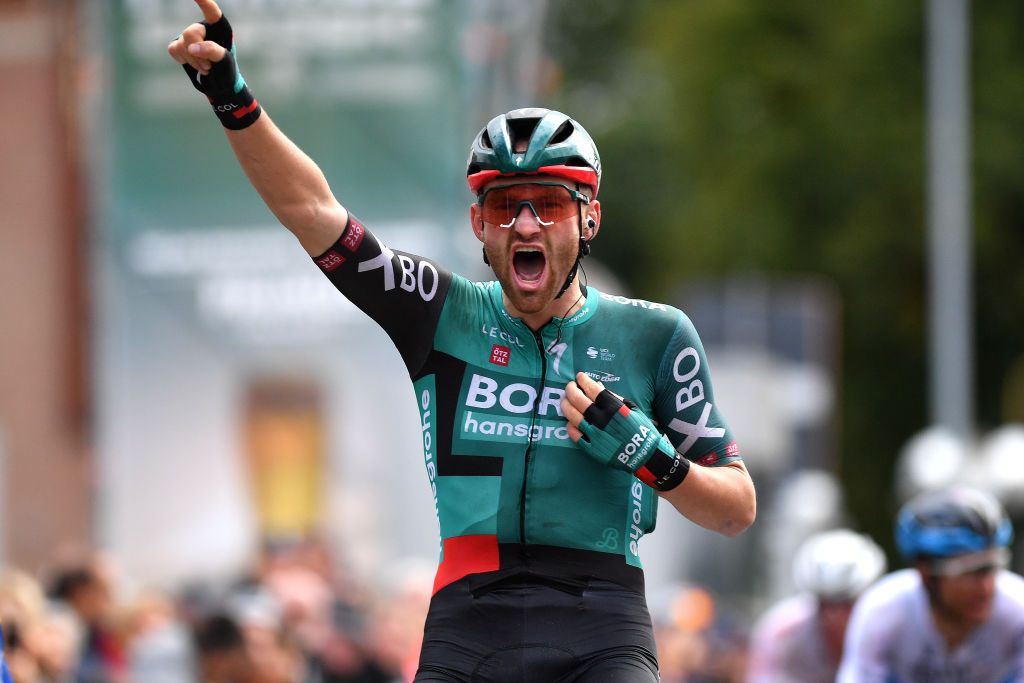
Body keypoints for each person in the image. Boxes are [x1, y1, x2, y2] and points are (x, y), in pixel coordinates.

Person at [167, 2, 756, 680]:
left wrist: (650, 456)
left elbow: (735, 509)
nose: (527, 224)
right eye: (506, 205)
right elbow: (313, 212)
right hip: (469, 619)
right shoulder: (439, 311)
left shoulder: (655, 334)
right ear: (479, 221)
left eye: (551, 203)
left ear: (588, 217)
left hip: (602, 620)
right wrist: (232, 98)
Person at [837, 486, 1024, 682]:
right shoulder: (883, 610)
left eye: (993, 567)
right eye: (970, 572)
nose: (986, 587)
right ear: (926, 573)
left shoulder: (1018, 608)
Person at [746, 529, 886, 683]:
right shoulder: (782, 632)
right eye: (824, 605)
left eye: (846, 605)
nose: (834, 619)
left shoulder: (888, 629)